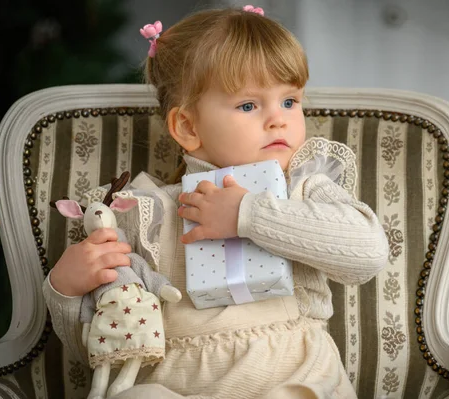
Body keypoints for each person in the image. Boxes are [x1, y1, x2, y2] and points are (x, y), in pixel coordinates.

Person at [43, 6, 389, 399]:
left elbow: (369, 253)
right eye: (248, 105)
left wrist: (249, 214)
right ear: (188, 127)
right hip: (175, 386)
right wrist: (66, 291)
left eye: (290, 101)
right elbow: (103, 346)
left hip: (294, 380)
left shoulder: (305, 188)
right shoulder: (143, 211)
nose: (279, 119)